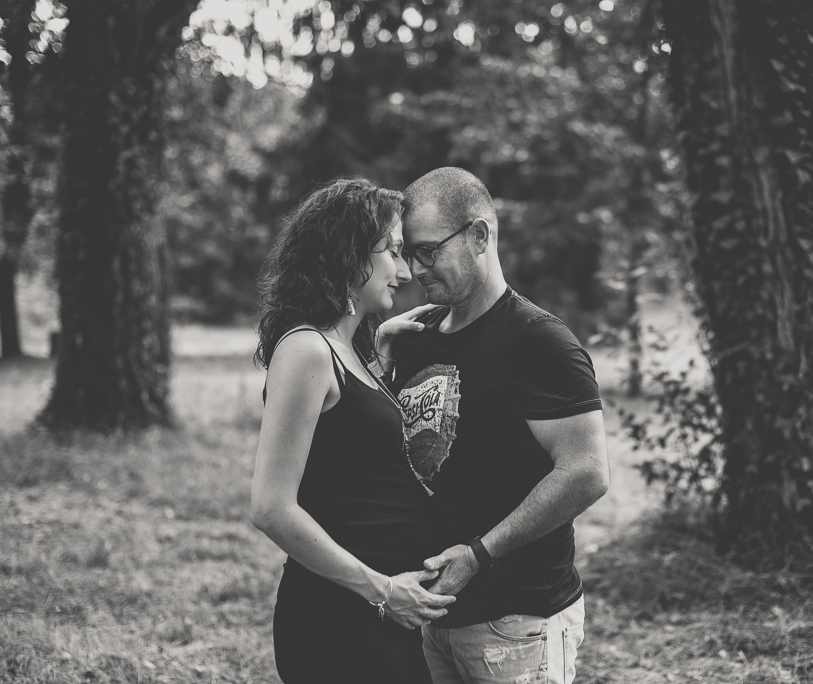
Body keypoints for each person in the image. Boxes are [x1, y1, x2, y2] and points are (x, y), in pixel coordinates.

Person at [390, 167, 611, 684]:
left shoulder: (539, 341)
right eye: (405, 252)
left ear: (480, 236)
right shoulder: (416, 336)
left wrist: (478, 554)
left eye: (428, 250)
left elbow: (586, 472)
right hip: (430, 616)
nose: (414, 268)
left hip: (517, 621)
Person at [250, 177, 455, 684]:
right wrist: (385, 592)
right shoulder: (305, 350)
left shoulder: (349, 351)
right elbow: (272, 508)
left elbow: (353, 454)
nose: (405, 272)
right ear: (349, 254)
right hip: (341, 620)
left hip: (381, 616)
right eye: (393, 252)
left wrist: (380, 353)